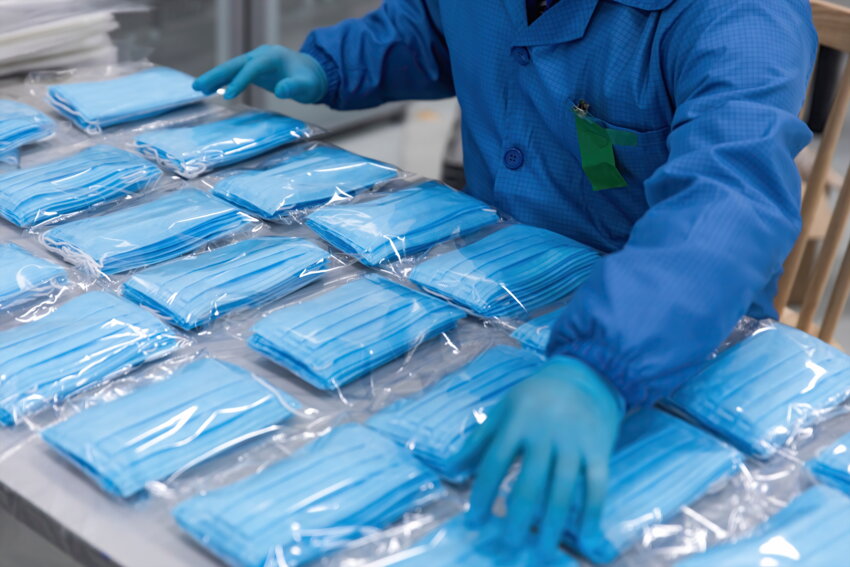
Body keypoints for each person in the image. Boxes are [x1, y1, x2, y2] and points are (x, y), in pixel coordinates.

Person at [194, 0, 817, 559]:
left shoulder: (740, 15)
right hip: (488, 291)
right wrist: (331, 65)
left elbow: (727, 200)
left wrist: (601, 366)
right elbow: (428, 27)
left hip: (670, 330)